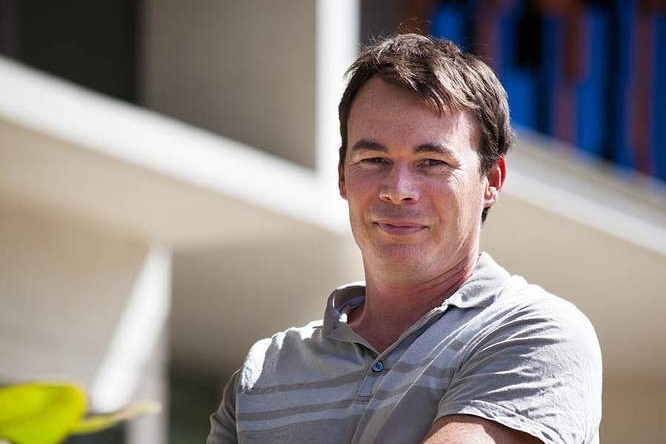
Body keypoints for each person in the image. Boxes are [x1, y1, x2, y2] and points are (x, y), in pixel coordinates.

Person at [206, 33, 602, 444]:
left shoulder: (535, 333)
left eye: (432, 162)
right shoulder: (264, 371)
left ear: (492, 180)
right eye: (374, 160)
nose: (398, 189)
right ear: (342, 175)